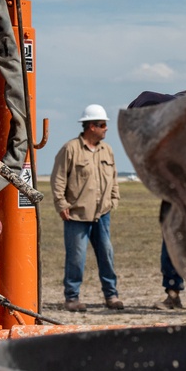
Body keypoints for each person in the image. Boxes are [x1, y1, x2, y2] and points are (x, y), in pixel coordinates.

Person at [50, 104, 124, 312]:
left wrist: (114, 198)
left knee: (106, 255)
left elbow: (114, 178)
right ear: (91, 127)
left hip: (102, 215)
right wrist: (61, 204)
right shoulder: (70, 149)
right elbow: (58, 179)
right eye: (102, 125)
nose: (106, 128)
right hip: (77, 215)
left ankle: (112, 295)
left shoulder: (107, 150)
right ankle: (72, 298)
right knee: (76, 257)